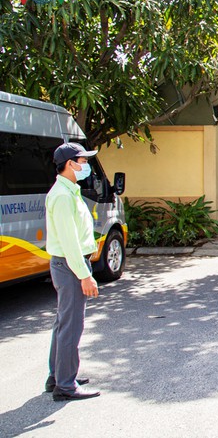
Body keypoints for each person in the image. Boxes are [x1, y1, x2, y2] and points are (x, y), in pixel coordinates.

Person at [45, 142, 101, 401]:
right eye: (83, 160)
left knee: (63, 322)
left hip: (66, 264)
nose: (86, 165)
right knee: (71, 325)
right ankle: (65, 386)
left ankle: (57, 375)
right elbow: (69, 242)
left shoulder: (68, 191)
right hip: (69, 266)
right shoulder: (63, 196)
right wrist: (85, 275)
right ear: (70, 164)